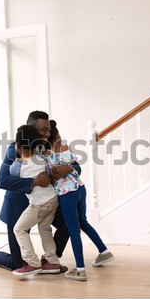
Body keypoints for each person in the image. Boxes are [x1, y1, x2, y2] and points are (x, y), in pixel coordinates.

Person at [0, 111, 80, 272]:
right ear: (31, 129)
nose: (47, 133)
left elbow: (76, 166)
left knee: (69, 219)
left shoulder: (49, 147)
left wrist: (66, 167)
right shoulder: (15, 149)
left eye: (48, 129)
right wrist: (34, 181)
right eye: (43, 130)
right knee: (17, 263)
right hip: (18, 206)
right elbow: (2, 180)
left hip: (48, 201)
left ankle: (50, 260)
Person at [46, 120, 114, 281]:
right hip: (80, 188)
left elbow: (50, 177)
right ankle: (104, 252)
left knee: (73, 229)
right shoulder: (66, 148)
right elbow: (76, 166)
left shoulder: (46, 156)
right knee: (83, 222)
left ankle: (80, 269)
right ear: (58, 136)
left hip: (67, 193)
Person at [10, 125, 60, 276]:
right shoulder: (42, 160)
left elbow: (11, 180)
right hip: (53, 199)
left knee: (19, 229)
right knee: (44, 229)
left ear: (18, 146)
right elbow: (49, 175)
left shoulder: (16, 167)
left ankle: (32, 262)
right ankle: (52, 261)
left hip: (39, 204)